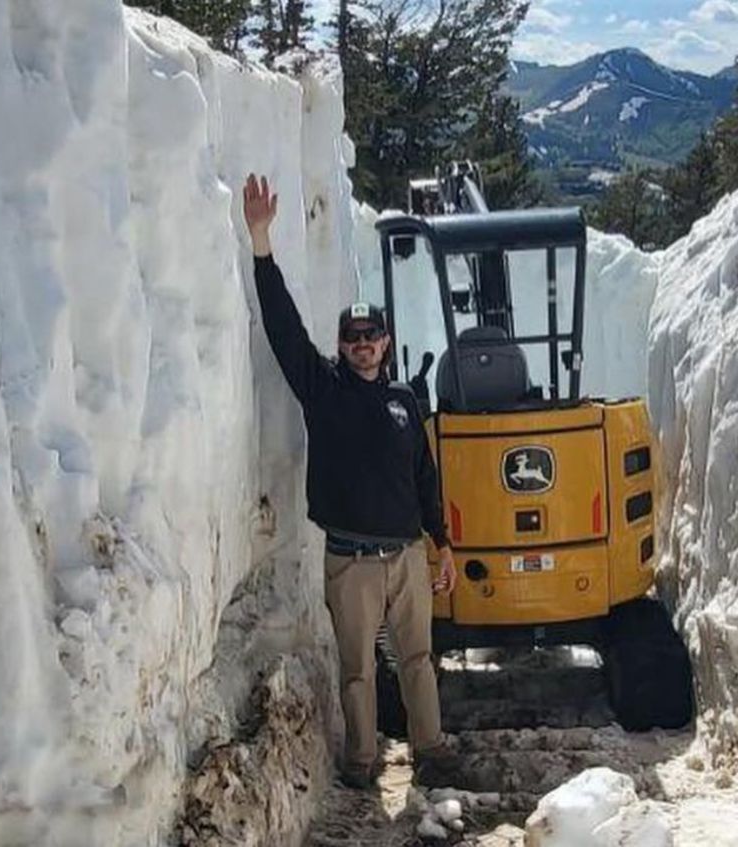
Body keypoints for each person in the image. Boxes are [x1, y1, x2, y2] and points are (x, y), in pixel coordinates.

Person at [242, 174, 458, 790]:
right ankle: (363, 760)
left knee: (418, 658)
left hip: (407, 556)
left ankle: (431, 750)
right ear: (341, 345)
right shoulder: (324, 389)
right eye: (353, 338)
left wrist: (441, 543)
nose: (363, 346)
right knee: (358, 668)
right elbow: (284, 331)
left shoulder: (403, 401)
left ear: (386, 344)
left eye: (371, 337)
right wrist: (261, 243)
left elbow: (424, 476)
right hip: (353, 560)